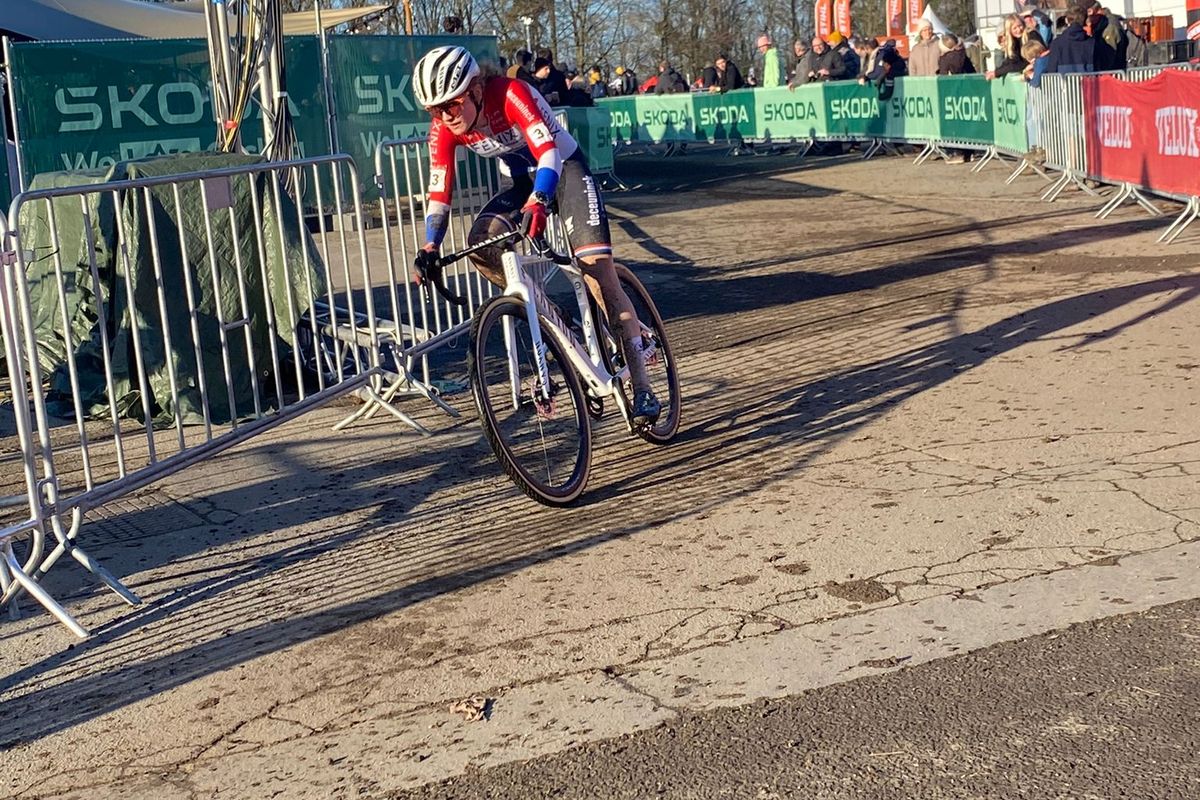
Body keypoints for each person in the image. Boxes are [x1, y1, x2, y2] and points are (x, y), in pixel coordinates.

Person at [410, 46, 662, 425]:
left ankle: (643, 389)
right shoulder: (444, 127)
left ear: (477, 89)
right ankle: (558, 323)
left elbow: (548, 153)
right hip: (524, 184)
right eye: (435, 110)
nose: (446, 116)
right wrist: (430, 245)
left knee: (596, 273)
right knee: (481, 244)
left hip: (564, 173)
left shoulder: (511, 94)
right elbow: (439, 189)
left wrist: (541, 200)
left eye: (453, 104)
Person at [1042, 5, 1094, 76]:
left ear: (1066, 20)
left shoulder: (1057, 43)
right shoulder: (1092, 42)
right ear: (1085, 21)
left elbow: (1052, 69)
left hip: (1064, 85)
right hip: (1088, 84)